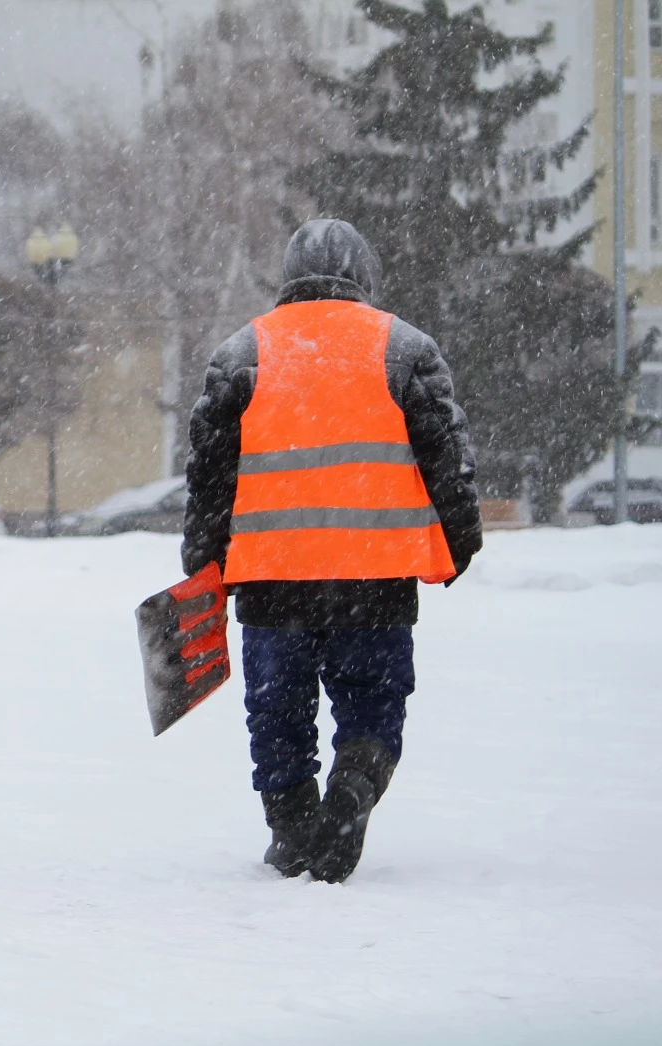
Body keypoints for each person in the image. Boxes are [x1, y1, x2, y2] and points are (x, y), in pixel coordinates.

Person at [181, 218, 482, 883]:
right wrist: (461, 541)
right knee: (372, 705)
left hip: (271, 580)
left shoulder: (241, 354)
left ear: (289, 280)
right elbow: (447, 456)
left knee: (278, 714)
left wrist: (202, 561)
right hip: (374, 578)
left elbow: (209, 473)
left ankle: (291, 828)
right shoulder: (405, 349)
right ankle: (350, 795)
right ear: (366, 279)